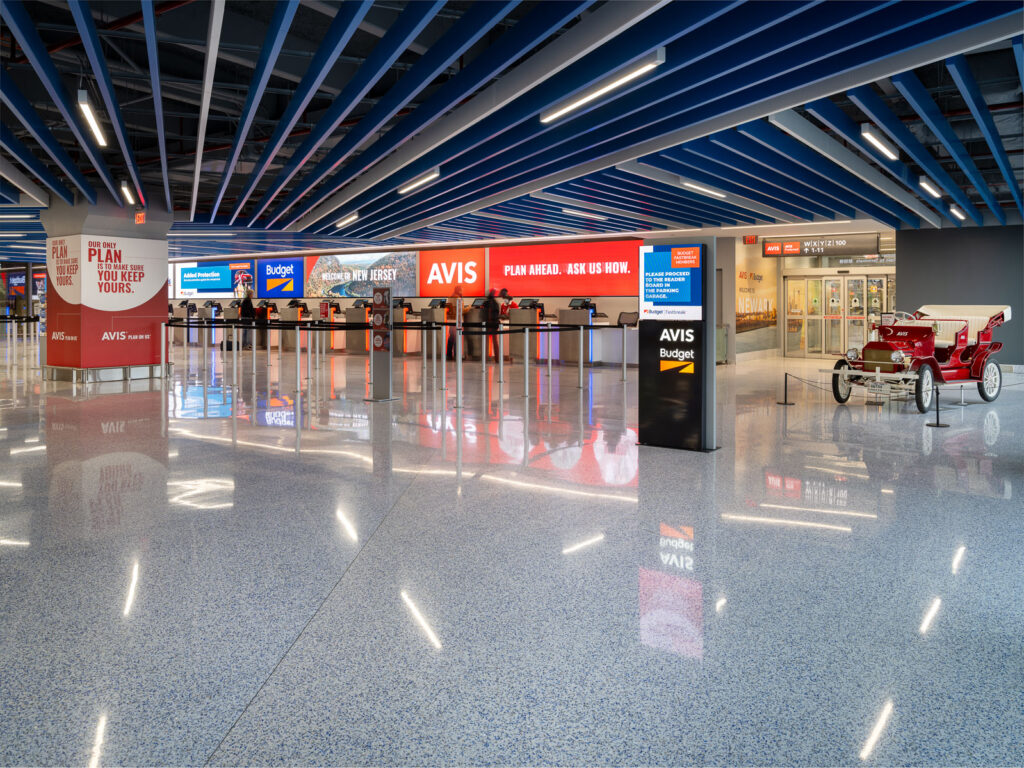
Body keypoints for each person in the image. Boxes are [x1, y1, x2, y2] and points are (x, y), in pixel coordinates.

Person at [482, 288, 501, 363]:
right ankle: (497, 358)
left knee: (486, 342)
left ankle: (485, 358)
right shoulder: (496, 303)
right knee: (495, 342)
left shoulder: (487, 302)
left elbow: (486, 312)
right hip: (495, 323)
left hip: (489, 323)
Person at [446, 285, 463, 360]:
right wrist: (469, 307)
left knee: (451, 338)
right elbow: (461, 310)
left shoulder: (450, 297)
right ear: (459, 290)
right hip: (457, 320)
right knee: (456, 338)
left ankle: (449, 355)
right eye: (461, 290)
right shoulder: (458, 298)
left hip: (450, 320)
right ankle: (457, 355)